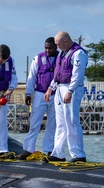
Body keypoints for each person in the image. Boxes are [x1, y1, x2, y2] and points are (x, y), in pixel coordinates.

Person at [46, 31, 88, 163]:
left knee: (71, 121)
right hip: (59, 87)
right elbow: (58, 73)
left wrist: (70, 91)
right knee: (61, 123)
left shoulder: (78, 53)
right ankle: (58, 152)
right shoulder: (63, 53)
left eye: (58, 44)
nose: (57, 47)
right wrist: (50, 88)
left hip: (71, 87)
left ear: (65, 42)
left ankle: (78, 154)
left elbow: (77, 74)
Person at [22, 37, 59, 156]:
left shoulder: (62, 58)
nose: (48, 50)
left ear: (56, 47)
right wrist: (28, 93)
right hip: (40, 94)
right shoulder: (38, 58)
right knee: (34, 122)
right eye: (46, 48)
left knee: (52, 124)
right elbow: (31, 77)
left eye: (50, 48)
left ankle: (49, 149)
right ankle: (28, 148)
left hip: (55, 95)